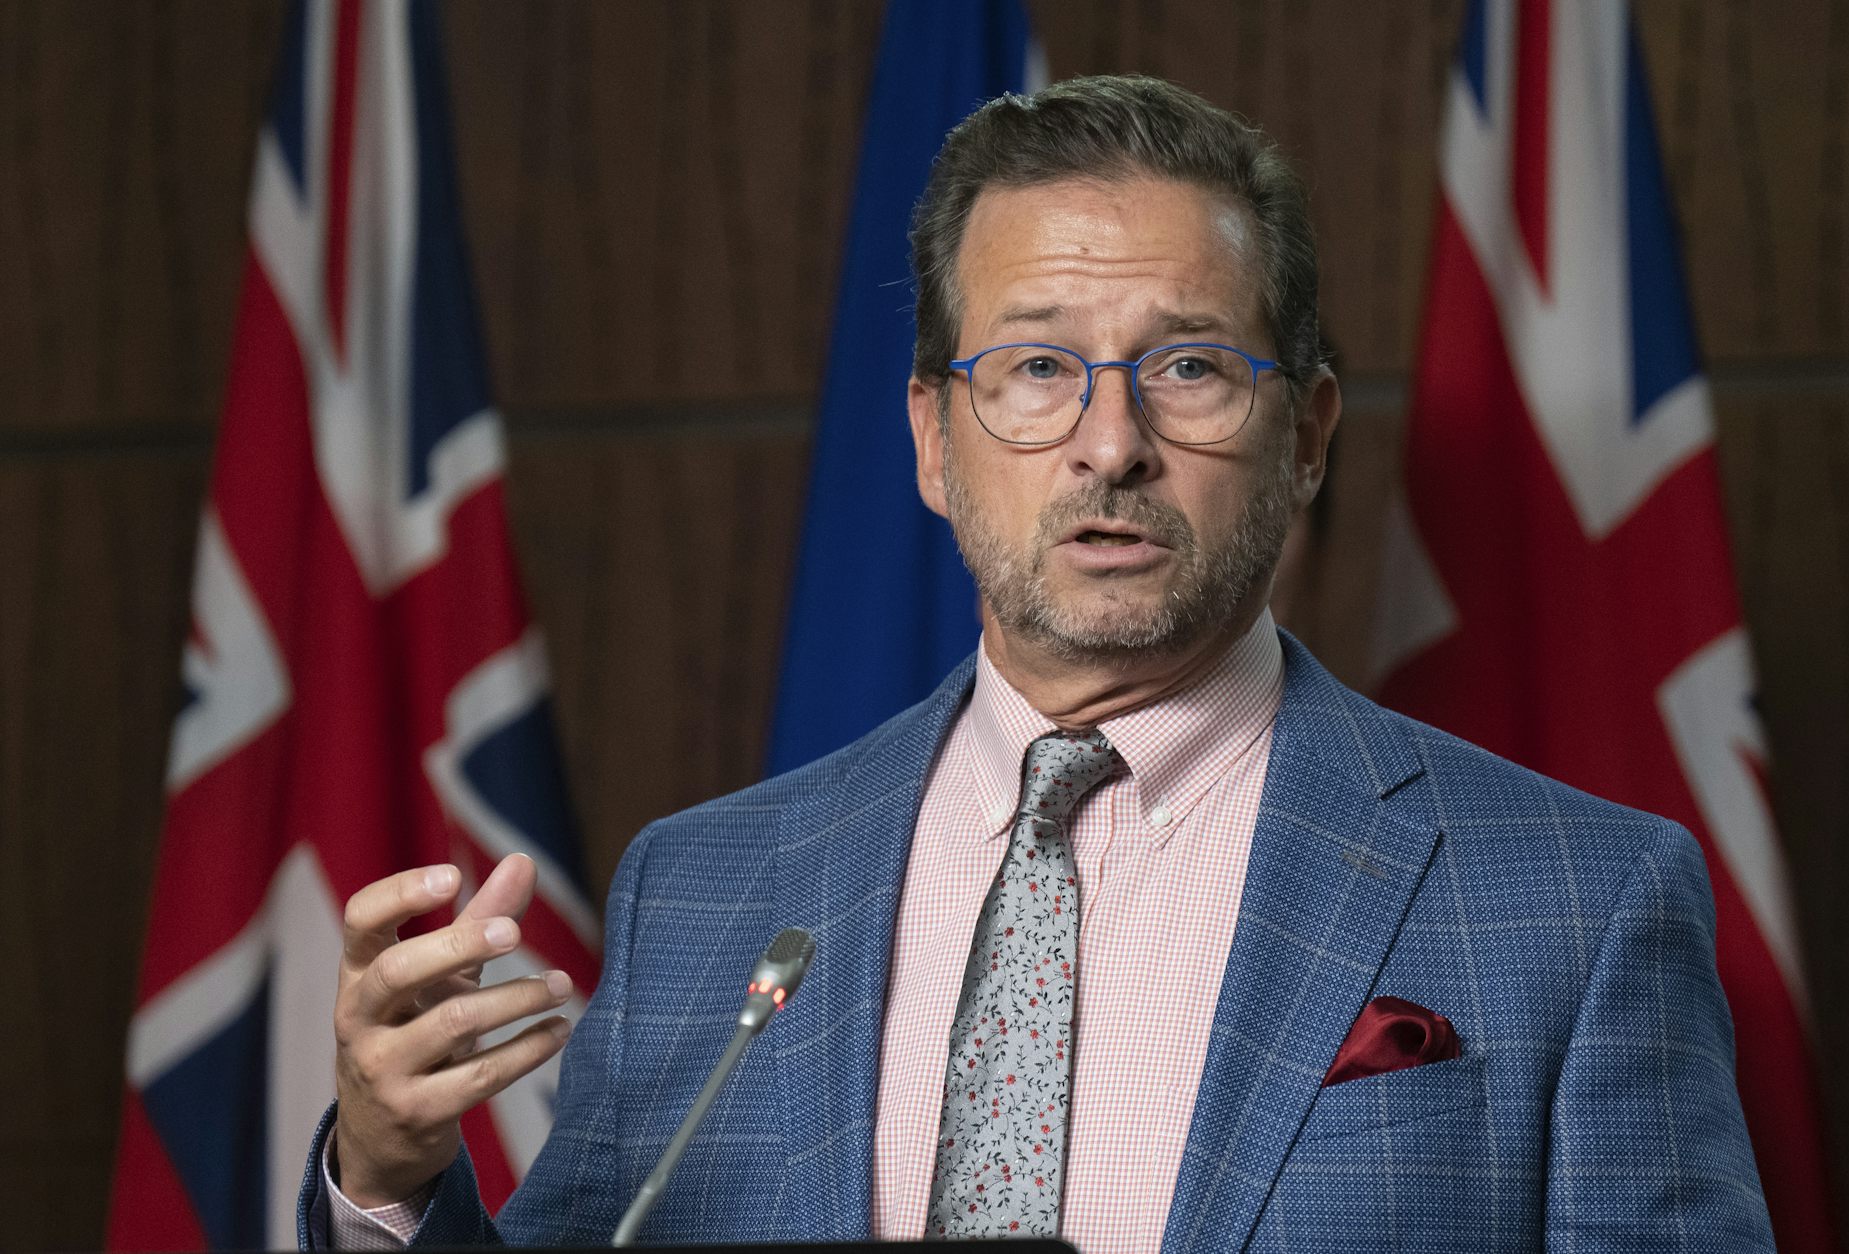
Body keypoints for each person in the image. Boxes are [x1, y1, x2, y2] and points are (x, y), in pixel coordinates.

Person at [300, 75, 1775, 1253]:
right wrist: (385, 1170)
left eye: (1189, 365)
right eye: (1035, 368)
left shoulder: (1580, 902)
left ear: (1310, 432)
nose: (1110, 442)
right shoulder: (705, 896)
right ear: (937, 442)